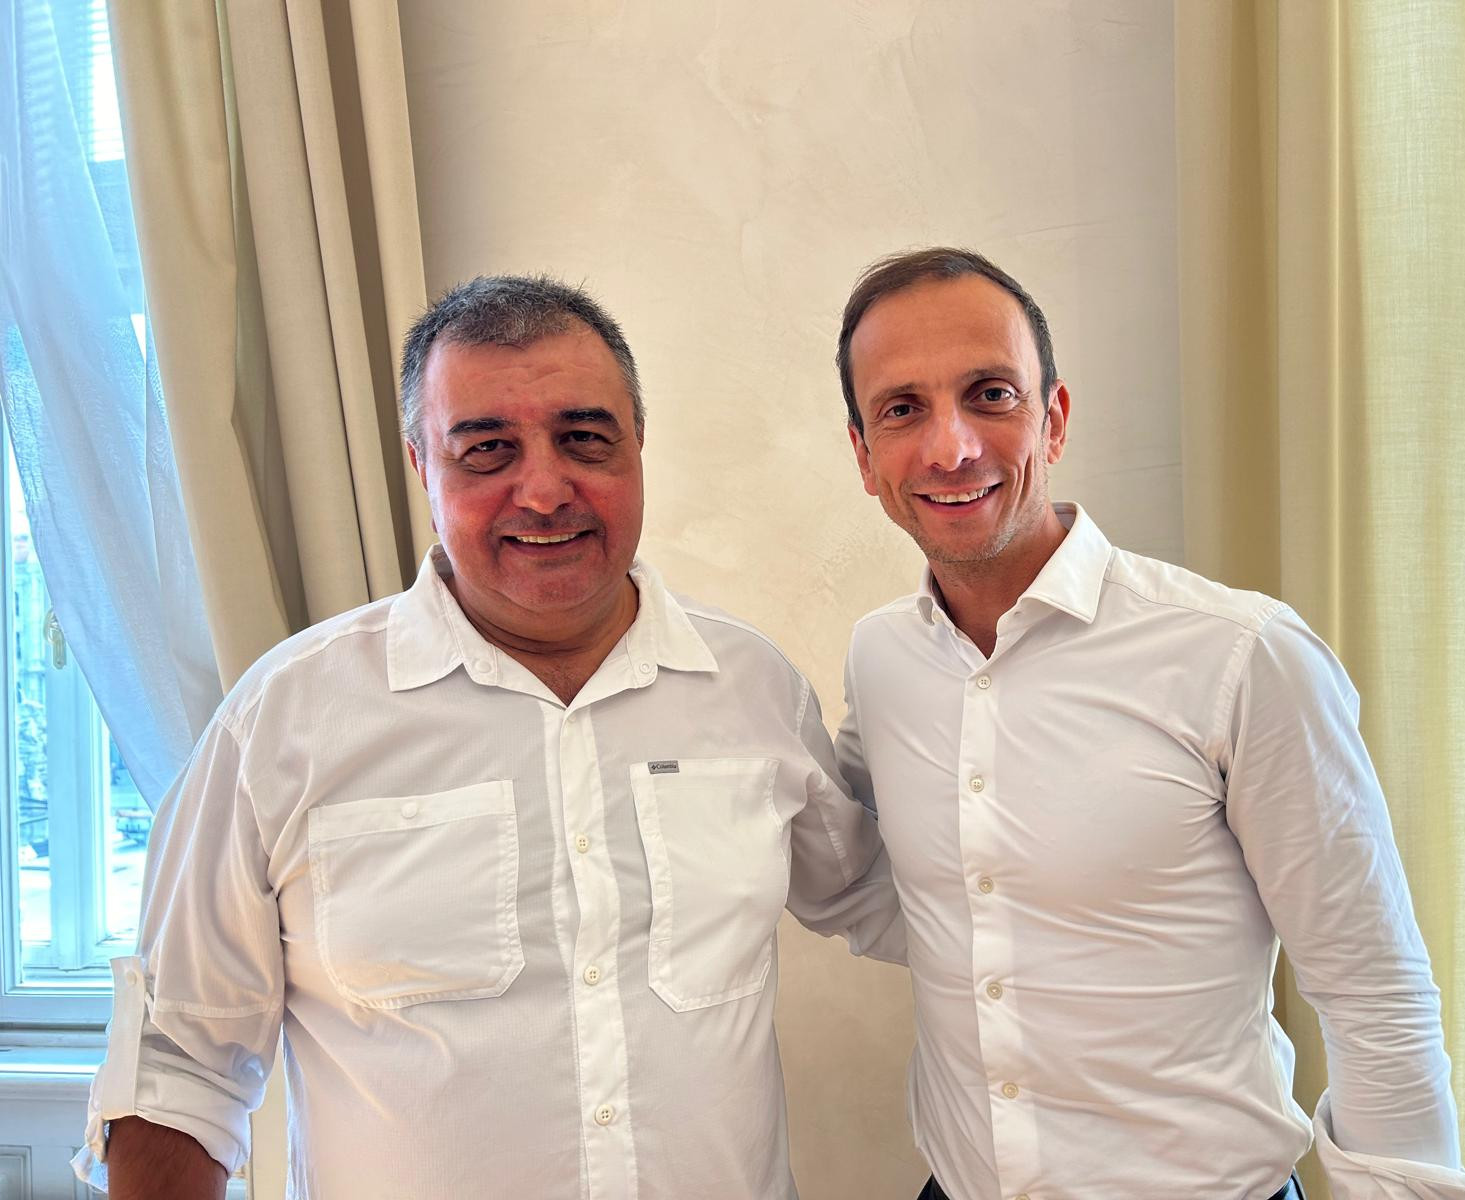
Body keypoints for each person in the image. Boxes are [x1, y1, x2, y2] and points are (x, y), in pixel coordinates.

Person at [73, 274, 903, 1200]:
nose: (543, 491)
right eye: (486, 450)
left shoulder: (753, 690)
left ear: (637, 445)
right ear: (421, 465)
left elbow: (890, 897)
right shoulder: (282, 721)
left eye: (584, 439)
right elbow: (179, 1069)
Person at [831, 247, 1465, 1200]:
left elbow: (1373, 989)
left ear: (1053, 418)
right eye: (903, 409)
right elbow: (870, 870)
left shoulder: (1241, 655)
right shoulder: (881, 660)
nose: (951, 448)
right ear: (864, 455)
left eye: (991, 395)